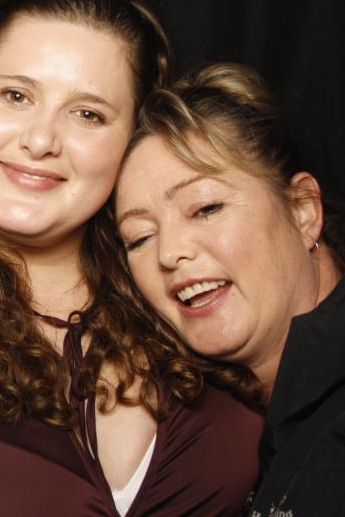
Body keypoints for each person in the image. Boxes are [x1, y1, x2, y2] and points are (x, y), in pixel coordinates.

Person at [0, 0, 263, 515]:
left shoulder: (197, 288)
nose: (41, 140)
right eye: (16, 96)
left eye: (88, 114)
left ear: (135, 137)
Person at [114, 62, 345, 516]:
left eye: (205, 208)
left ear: (303, 210)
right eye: (140, 238)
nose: (169, 253)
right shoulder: (223, 438)